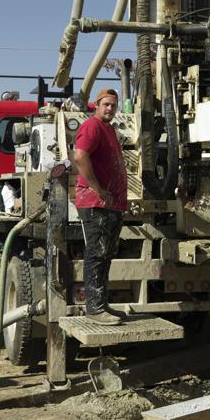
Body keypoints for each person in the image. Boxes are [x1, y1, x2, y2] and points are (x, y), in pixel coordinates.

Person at [73, 88, 128, 326]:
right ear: (96, 105)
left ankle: (101, 304)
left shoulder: (109, 129)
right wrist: (96, 188)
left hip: (110, 204)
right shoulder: (92, 126)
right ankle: (94, 308)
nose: (110, 109)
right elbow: (79, 156)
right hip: (95, 202)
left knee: (106, 254)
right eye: (106, 104)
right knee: (97, 252)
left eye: (113, 105)